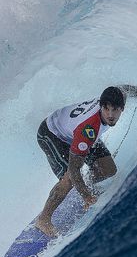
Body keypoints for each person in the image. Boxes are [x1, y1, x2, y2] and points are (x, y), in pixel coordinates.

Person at [32, 86, 126, 238]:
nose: (110, 114)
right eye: (106, 109)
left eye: (114, 109)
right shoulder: (88, 128)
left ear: (122, 107)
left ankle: (84, 185)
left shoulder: (117, 98)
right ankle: (43, 219)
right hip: (53, 134)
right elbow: (74, 169)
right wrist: (86, 196)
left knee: (108, 169)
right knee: (69, 178)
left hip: (75, 133)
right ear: (101, 106)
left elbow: (124, 89)